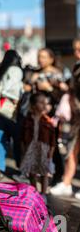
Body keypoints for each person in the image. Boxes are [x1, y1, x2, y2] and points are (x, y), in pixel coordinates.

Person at [0, 50, 23, 179]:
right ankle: (21, 167)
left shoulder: (0, 70)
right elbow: (11, 89)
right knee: (16, 138)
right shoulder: (16, 70)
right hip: (10, 110)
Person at [50, 54, 80, 199]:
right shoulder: (76, 68)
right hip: (76, 119)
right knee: (71, 152)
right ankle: (67, 183)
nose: (76, 53)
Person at [19, 93, 56, 203]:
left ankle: (43, 193)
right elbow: (22, 137)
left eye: (45, 103)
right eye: (41, 102)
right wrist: (23, 150)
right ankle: (34, 190)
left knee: (44, 171)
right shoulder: (27, 119)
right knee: (32, 170)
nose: (44, 105)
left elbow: (53, 141)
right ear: (33, 105)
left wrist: (51, 154)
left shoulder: (48, 121)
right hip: (31, 148)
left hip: (43, 149)